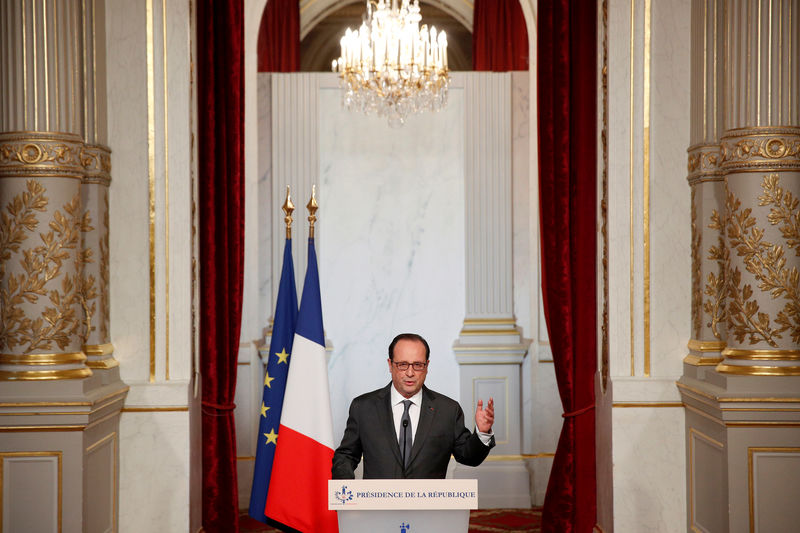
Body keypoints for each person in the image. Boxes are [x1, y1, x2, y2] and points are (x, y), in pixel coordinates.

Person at [331, 333, 495, 479]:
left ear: (427, 366)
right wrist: (346, 491)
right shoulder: (363, 407)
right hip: (377, 509)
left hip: (428, 509)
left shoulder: (447, 410)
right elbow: (346, 455)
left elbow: (469, 457)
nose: (410, 373)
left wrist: (482, 432)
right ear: (390, 365)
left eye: (417, 365)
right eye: (402, 364)